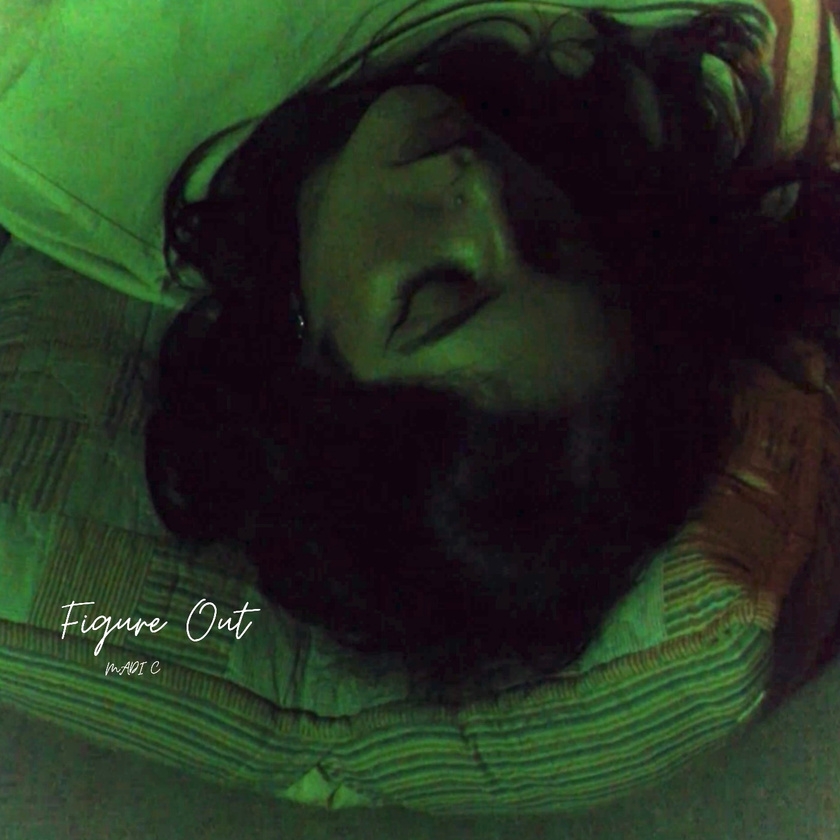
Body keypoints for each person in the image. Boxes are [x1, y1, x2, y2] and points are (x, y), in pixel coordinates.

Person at [144, 1, 840, 703]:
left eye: (438, 289)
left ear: (309, 388)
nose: (480, 184)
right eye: (543, 234)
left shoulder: (132, 99)